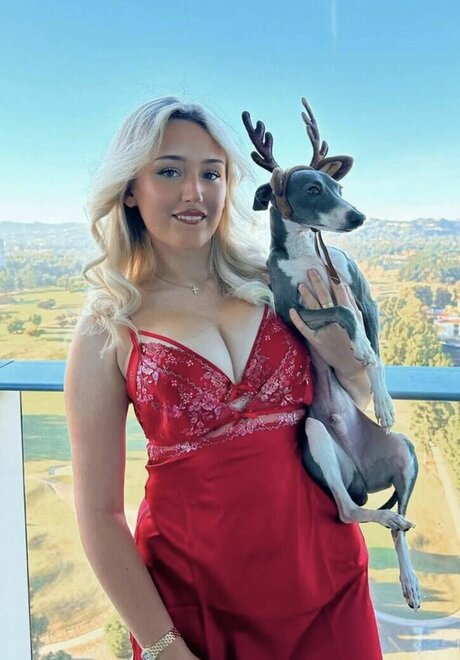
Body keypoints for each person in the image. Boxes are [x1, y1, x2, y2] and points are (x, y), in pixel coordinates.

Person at [65, 97, 383, 660]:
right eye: (170, 172)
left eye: (211, 173)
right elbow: (99, 514)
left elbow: (358, 406)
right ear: (130, 188)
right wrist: (166, 649)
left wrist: (350, 360)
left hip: (331, 589)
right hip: (198, 614)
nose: (195, 192)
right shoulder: (107, 327)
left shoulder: (278, 285)